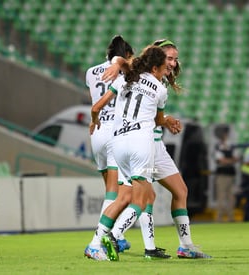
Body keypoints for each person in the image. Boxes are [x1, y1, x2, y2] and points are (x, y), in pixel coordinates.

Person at [103, 39, 212, 259]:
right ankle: (118, 240)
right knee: (141, 198)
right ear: (158, 59)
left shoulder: (158, 84)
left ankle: (184, 246)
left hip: (155, 144)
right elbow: (124, 64)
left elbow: (150, 113)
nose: (173, 63)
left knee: (179, 191)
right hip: (141, 144)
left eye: (175, 59)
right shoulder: (138, 72)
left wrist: (166, 120)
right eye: (169, 58)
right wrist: (116, 63)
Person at [87, 45, 176, 261]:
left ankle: (95, 244)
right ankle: (114, 236)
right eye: (165, 66)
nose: (167, 70)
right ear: (155, 67)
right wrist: (168, 121)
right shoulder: (160, 89)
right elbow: (157, 120)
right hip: (140, 144)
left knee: (124, 197)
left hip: (118, 144)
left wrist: (94, 120)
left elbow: (96, 107)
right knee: (141, 200)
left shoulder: (126, 79)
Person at [84, 35, 133, 260]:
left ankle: (115, 235)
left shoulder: (90, 72)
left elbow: (93, 97)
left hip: (97, 130)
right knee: (117, 192)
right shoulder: (126, 70)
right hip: (115, 131)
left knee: (110, 191)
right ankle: (99, 241)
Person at [214, 130, 239, 222]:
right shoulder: (218, 147)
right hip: (222, 175)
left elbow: (235, 158)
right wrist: (230, 160)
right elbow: (221, 160)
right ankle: (219, 218)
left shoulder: (231, 147)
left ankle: (231, 217)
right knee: (221, 196)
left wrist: (227, 160)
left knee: (231, 197)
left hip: (230, 174)